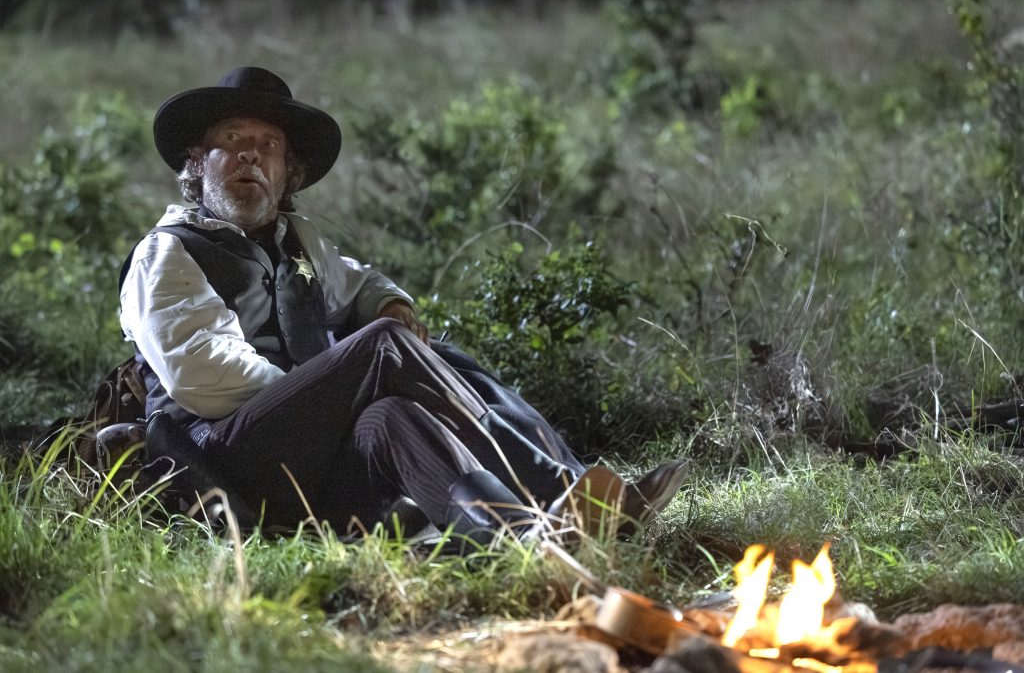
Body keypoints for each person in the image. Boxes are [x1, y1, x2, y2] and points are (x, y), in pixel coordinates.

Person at [120, 66, 687, 543]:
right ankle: (567, 491)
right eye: (232, 141)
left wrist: (389, 304)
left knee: (403, 398)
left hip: (304, 477)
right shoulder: (166, 253)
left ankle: (526, 537)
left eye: (267, 145)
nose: (250, 156)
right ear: (197, 161)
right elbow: (201, 378)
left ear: (285, 169)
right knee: (383, 352)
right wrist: (334, 385)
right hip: (223, 463)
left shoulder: (300, 243)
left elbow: (360, 283)